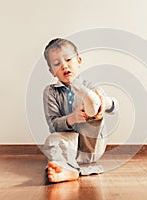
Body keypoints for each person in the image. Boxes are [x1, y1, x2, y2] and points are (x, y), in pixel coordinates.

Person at [42, 38, 117, 183]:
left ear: (79, 61)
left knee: (94, 101)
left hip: (91, 144)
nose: (64, 66)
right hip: (68, 148)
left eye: (68, 60)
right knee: (52, 140)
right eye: (57, 64)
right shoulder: (50, 92)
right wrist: (72, 119)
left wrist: (104, 103)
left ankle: (97, 103)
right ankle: (69, 170)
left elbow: (115, 108)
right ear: (52, 71)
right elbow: (53, 125)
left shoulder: (91, 86)